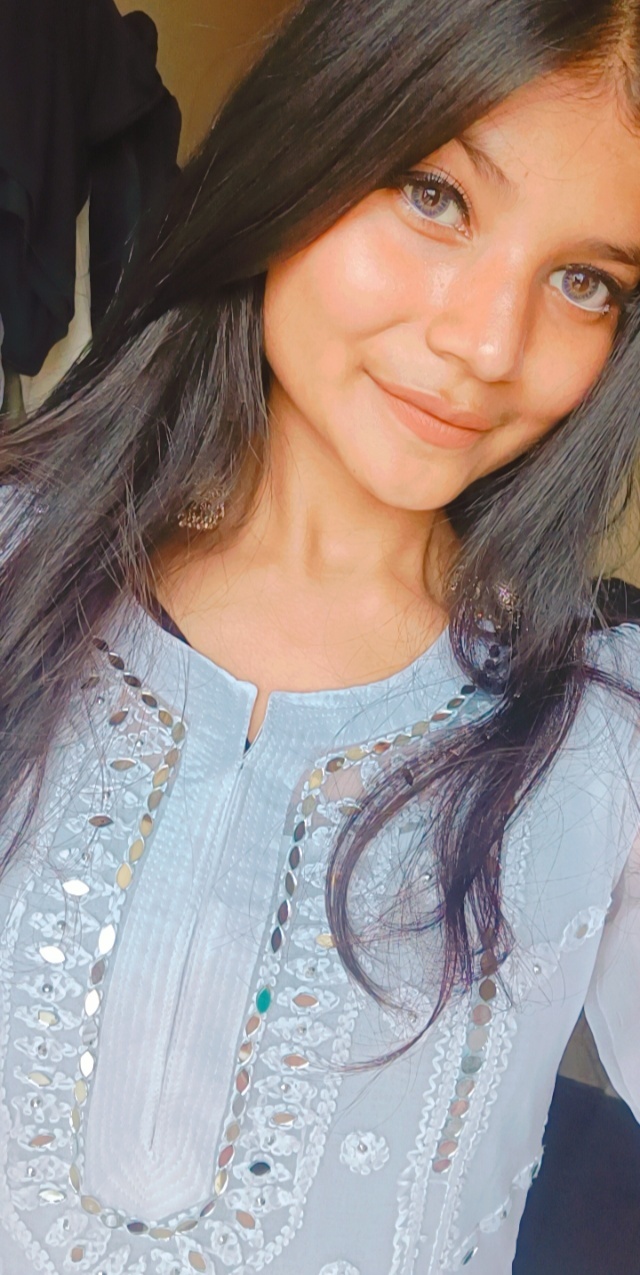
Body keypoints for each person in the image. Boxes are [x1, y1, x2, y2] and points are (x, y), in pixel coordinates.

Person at [1, 1, 640, 1271]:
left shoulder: (604, 736)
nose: (485, 344)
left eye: (585, 282)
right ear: (306, 143)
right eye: (436, 197)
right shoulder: (17, 555)